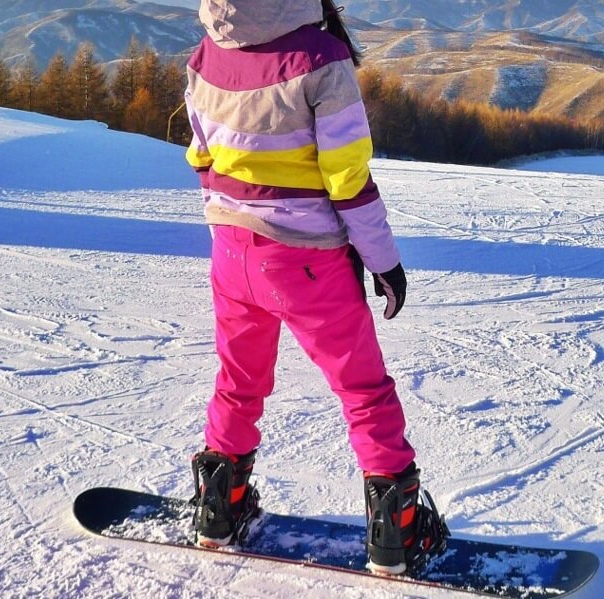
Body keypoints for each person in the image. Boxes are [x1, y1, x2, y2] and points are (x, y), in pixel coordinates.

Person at [183, 0, 448, 574]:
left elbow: (202, 155)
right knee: (363, 389)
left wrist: (229, 214)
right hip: (307, 263)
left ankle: (218, 508)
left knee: (239, 379)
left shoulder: (206, 54)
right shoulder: (321, 58)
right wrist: (384, 262)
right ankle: (395, 534)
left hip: (232, 252)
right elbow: (348, 180)